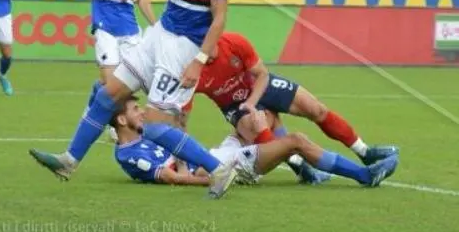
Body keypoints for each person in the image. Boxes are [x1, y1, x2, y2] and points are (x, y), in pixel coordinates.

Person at [29, 0, 239, 199]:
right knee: (107, 95)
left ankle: (219, 170)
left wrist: (199, 60)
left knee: (153, 128)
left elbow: (219, 19)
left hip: (183, 47)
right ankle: (68, 161)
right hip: (160, 33)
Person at [189, 32, 398, 169]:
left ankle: (364, 151)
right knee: (265, 132)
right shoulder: (192, 70)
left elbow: (262, 73)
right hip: (234, 106)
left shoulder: (233, 42)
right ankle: (300, 165)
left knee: (317, 109)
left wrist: (252, 101)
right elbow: (176, 108)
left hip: (261, 85)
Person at [111, 97, 398, 188]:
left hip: (216, 154)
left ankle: (306, 172)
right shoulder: (129, 154)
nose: (142, 113)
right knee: (296, 140)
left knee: (266, 116)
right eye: (135, 111)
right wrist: (218, 178)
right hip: (219, 167)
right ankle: (364, 175)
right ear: (122, 122)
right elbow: (173, 176)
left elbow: (177, 152)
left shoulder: (143, 136)